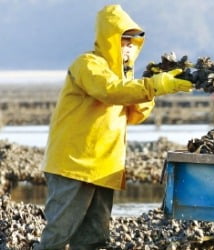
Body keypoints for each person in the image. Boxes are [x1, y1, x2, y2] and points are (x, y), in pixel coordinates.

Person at [35, 4, 192, 250]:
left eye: (132, 41)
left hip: (104, 166)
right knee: (58, 235)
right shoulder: (88, 64)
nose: (129, 45)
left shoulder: (124, 79)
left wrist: (152, 90)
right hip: (72, 164)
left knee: (94, 239)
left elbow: (134, 115)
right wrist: (153, 86)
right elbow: (108, 91)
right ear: (109, 38)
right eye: (123, 40)